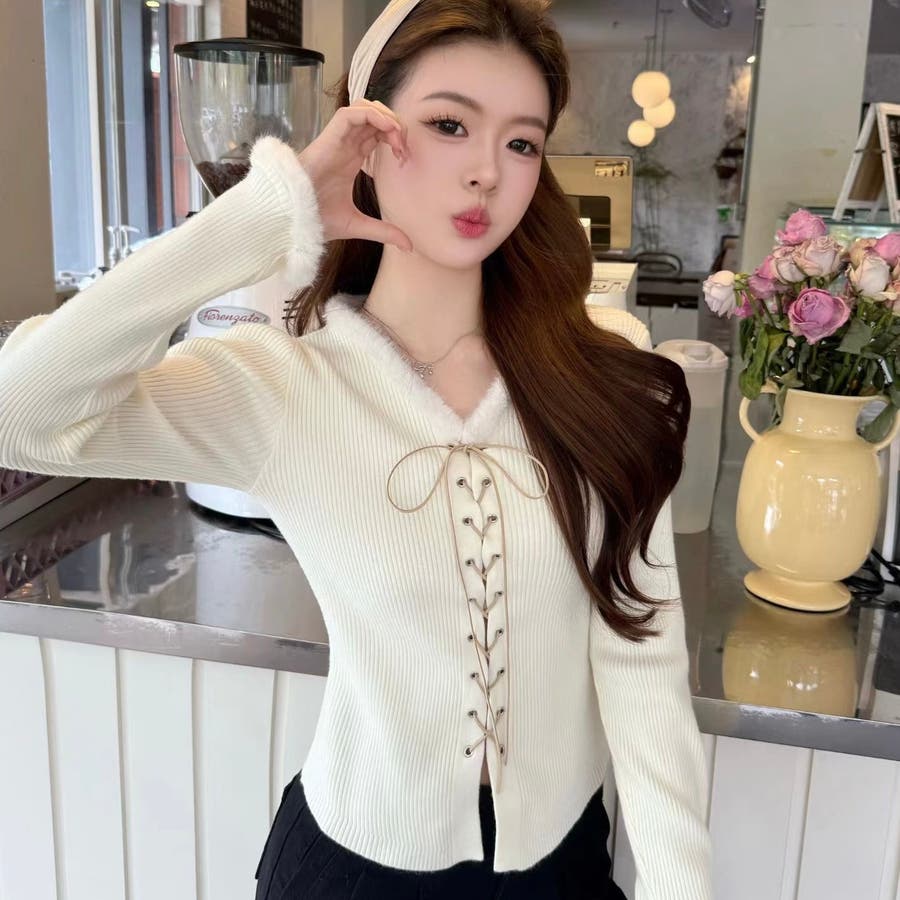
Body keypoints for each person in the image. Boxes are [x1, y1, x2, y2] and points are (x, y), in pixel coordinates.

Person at [0, 0, 714, 897]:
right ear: (367, 138)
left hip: (559, 868)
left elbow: (643, 654)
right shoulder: (286, 385)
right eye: (448, 125)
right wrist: (272, 211)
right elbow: (23, 411)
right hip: (352, 868)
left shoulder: (608, 373)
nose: (487, 171)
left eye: (522, 143)